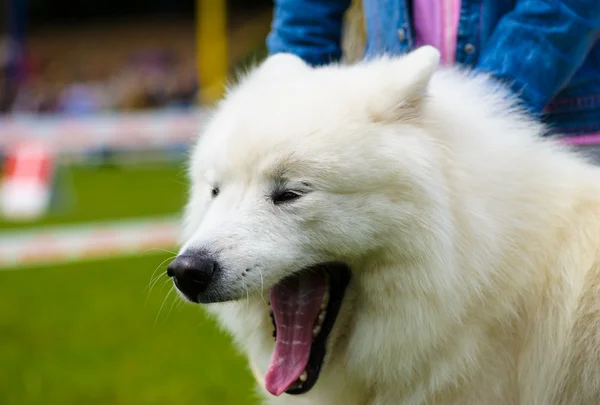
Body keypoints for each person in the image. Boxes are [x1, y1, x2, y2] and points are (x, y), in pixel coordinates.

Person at [266, 0, 600, 137]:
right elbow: (305, 12)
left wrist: (485, 114)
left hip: (551, 134)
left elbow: (563, 8)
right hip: (394, 133)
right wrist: (294, 114)